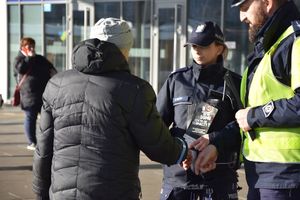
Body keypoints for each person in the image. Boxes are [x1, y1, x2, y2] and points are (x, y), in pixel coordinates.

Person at [32, 17, 192, 200]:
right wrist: (184, 150)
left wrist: (40, 193)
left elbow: (43, 151)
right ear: (125, 50)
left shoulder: (56, 84)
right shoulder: (135, 89)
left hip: (61, 193)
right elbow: (159, 147)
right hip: (113, 192)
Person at [193, 1, 300, 200]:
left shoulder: (295, 41)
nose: (241, 17)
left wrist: (254, 116)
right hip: (264, 176)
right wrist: (217, 143)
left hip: (286, 179)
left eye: (244, 8)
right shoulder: (269, 48)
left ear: (267, 3)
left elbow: (253, 116)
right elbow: (249, 121)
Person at [156, 21, 242, 200]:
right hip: (178, 180)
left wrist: (216, 141)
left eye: (203, 45)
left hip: (219, 181)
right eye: (194, 45)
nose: (197, 50)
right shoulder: (176, 81)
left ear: (219, 49)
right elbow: (156, 127)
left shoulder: (234, 83)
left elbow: (245, 127)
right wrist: (178, 152)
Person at [13, 37, 56, 151]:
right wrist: (28, 58)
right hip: (29, 94)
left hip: (43, 93)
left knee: (46, 118)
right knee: (30, 117)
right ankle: (32, 142)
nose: (32, 48)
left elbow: (51, 68)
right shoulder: (19, 59)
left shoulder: (39, 58)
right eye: (29, 46)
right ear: (23, 47)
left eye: (33, 46)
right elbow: (20, 70)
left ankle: (46, 141)